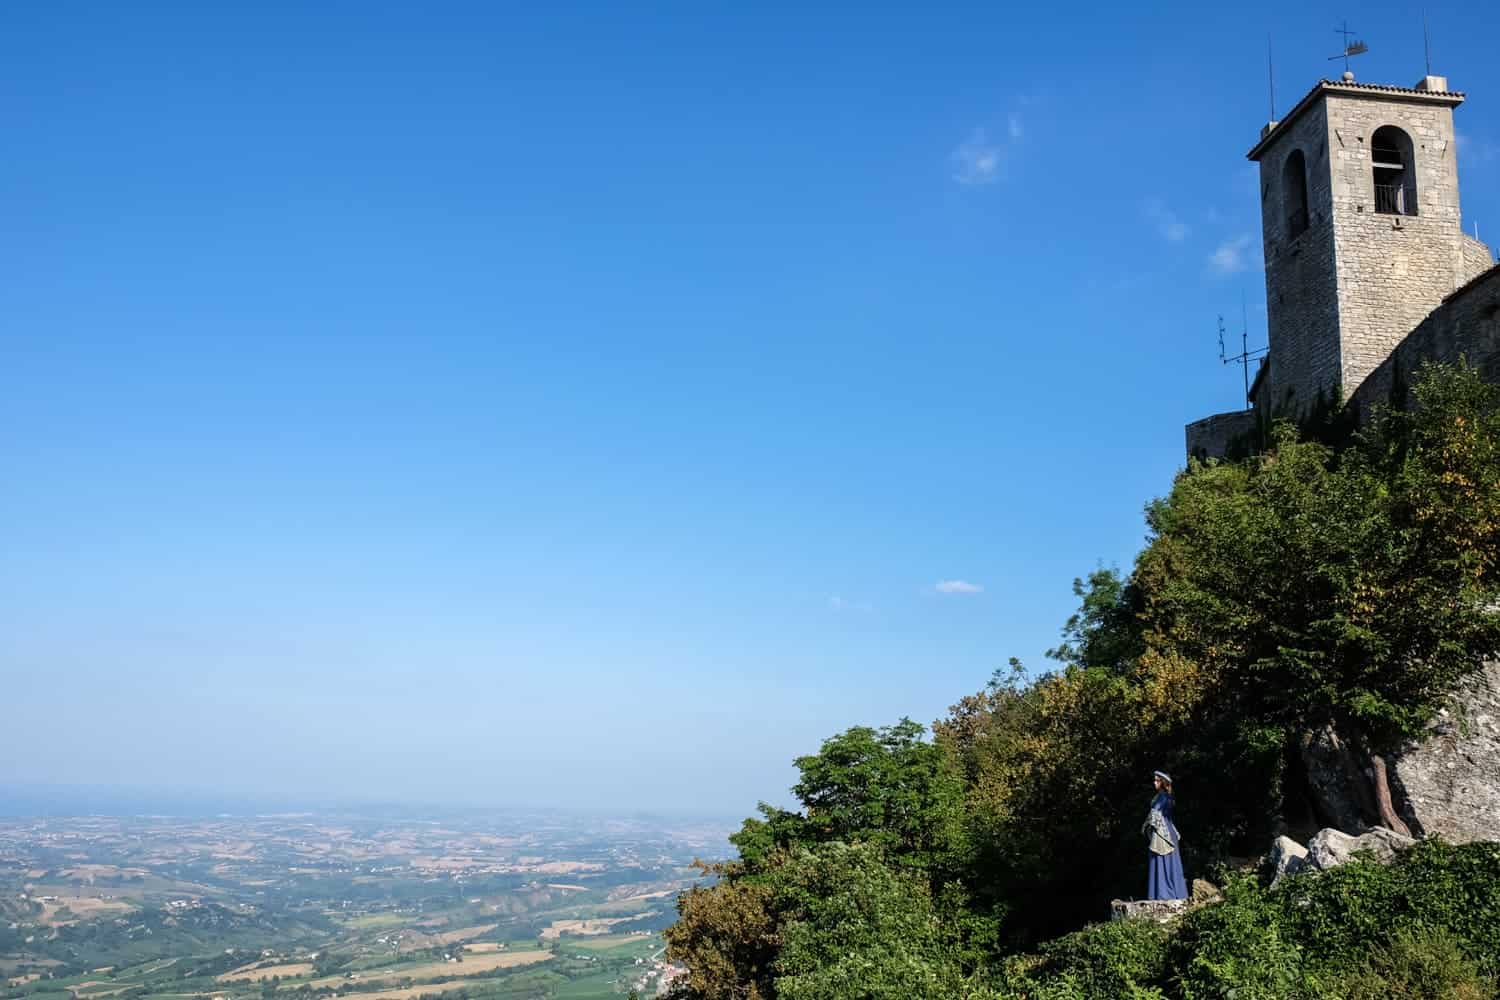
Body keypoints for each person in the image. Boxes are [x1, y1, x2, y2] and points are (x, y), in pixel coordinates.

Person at [1143, 770, 1186, 900]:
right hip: (1169, 832)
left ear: (1162, 782)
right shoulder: (1168, 797)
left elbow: (1155, 815)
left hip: (1162, 833)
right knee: (1171, 863)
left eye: (1157, 780)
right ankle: (1175, 893)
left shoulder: (1162, 797)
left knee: (1161, 861)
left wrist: (1146, 826)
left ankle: (1164, 894)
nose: (1154, 782)